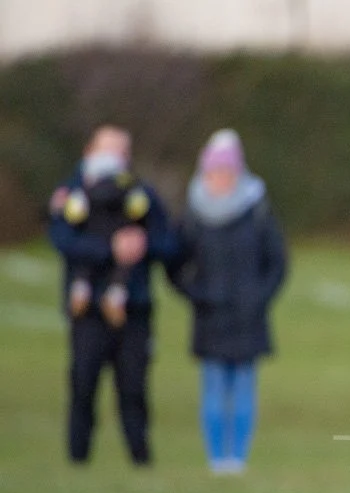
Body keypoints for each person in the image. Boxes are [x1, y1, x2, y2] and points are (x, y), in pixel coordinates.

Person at [48, 125, 178, 466]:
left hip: (133, 307)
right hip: (87, 308)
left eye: (122, 151)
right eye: (108, 150)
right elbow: (61, 239)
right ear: (90, 151)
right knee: (83, 384)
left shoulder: (141, 194)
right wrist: (110, 249)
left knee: (134, 387)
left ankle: (140, 459)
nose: (115, 158)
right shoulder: (73, 193)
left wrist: (143, 245)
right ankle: (77, 459)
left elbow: (169, 242)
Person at [168, 130, 288, 474]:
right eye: (215, 172)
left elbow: (277, 262)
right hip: (210, 317)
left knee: (244, 387)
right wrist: (197, 297)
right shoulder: (193, 213)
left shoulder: (257, 210)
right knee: (214, 387)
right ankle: (216, 458)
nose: (221, 178)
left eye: (227, 171)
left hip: (248, 317)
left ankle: (238, 458)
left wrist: (259, 298)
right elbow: (175, 263)